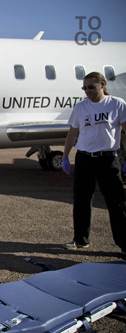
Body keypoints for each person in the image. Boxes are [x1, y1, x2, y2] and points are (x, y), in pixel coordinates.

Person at [62, 71, 126, 257]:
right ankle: (81, 240)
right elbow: (72, 133)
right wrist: (66, 156)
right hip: (84, 159)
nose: (87, 91)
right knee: (81, 201)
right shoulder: (81, 107)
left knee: (116, 203)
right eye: (84, 88)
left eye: (91, 87)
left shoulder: (117, 104)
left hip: (107, 158)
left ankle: (124, 243)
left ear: (102, 85)